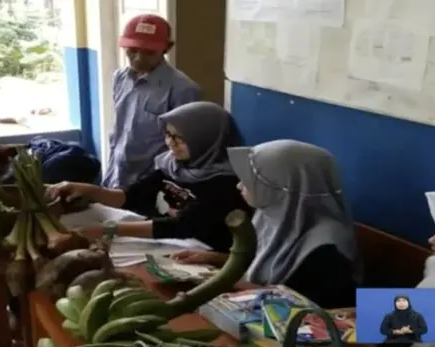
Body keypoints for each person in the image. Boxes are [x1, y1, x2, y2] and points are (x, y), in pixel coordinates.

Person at [171, 140, 359, 308]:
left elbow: (304, 308)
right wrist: (213, 258)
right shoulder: (274, 215)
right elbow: (267, 263)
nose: (239, 186)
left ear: (280, 185)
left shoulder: (327, 248)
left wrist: (223, 281)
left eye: (250, 179)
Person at [48, 102, 250, 252]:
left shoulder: (227, 183)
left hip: (199, 250)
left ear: (205, 140)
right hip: (163, 240)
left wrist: (107, 229)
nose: (170, 143)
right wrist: (89, 190)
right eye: (168, 134)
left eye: (179, 138)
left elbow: (182, 226)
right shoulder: (172, 164)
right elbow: (131, 196)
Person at [102, 14, 201, 189]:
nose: (138, 58)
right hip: (117, 176)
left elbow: (184, 149)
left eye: (149, 52)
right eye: (132, 50)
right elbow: (119, 131)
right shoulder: (120, 78)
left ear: (167, 48)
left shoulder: (183, 89)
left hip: (152, 183)